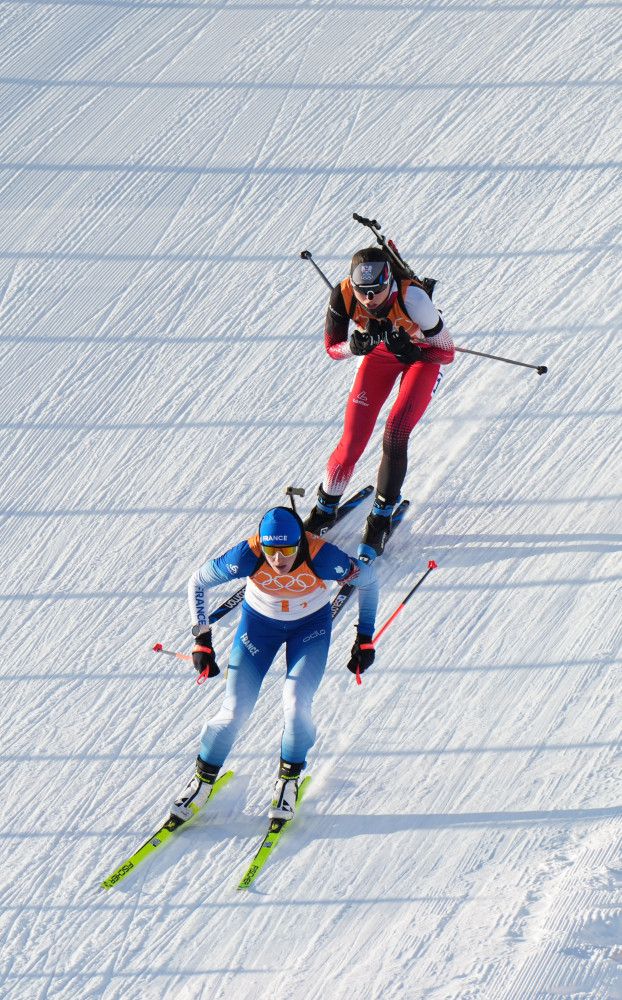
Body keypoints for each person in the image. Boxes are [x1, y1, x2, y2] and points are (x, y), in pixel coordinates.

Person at [171, 504, 378, 823]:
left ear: (301, 543)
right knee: (233, 711)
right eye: (271, 549)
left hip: (310, 628)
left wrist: (364, 638)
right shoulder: (245, 556)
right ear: (261, 543)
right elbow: (197, 582)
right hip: (258, 628)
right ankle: (202, 780)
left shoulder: (323, 557)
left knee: (296, 704)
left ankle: (289, 780)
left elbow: (368, 581)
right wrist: (202, 639)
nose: (278, 559)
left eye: (287, 549)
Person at [304, 246, 455, 560]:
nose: (370, 299)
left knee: (395, 435)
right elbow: (332, 348)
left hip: (421, 359)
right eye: (364, 292)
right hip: (379, 356)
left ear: (390, 281)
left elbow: (446, 353)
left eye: (377, 291)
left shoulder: (413, 299)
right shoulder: (343, 295)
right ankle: (325, 508)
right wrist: (354, 346)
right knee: (351, 442)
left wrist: (413, 352)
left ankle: (380, 518)